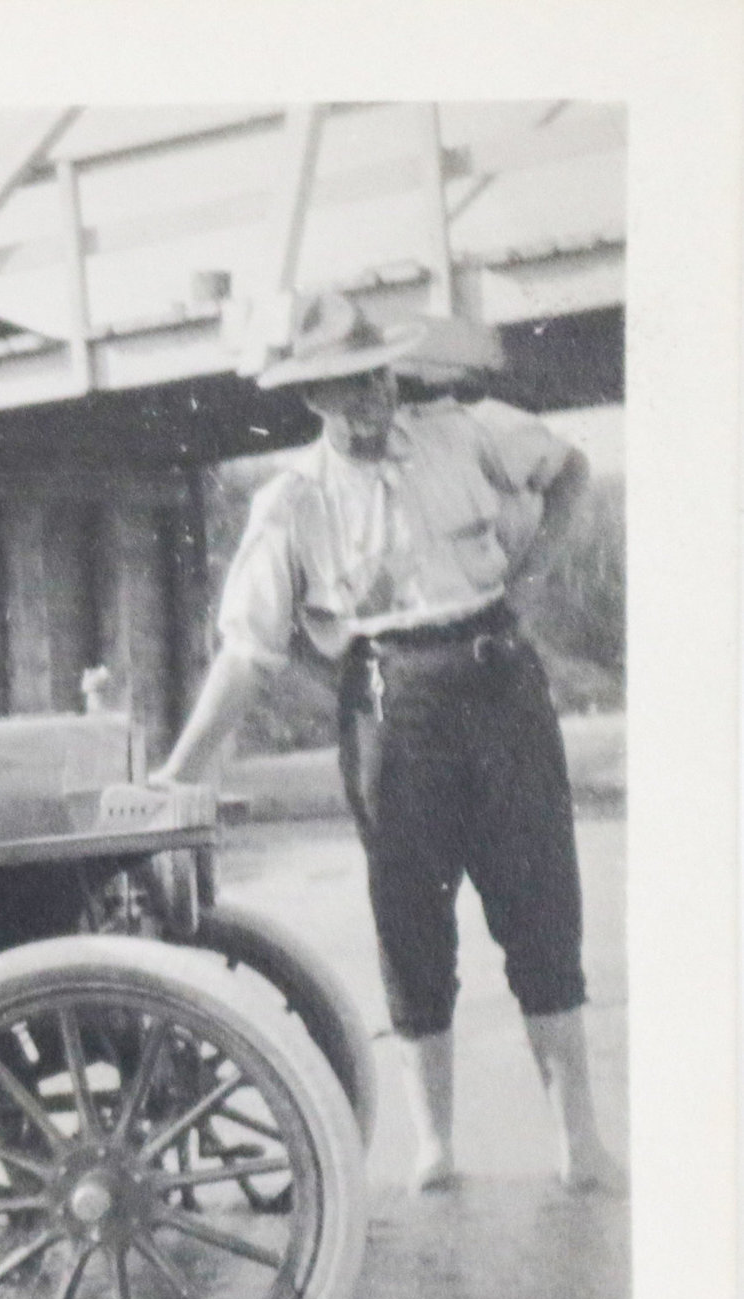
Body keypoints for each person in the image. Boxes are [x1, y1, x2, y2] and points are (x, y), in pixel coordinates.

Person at [149, 292, 620, 1194]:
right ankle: (435, 1150)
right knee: (411, 927)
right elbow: (247, 651)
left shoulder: (466, 433)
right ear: (312, 398)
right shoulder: (293, 504)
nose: (373, 397)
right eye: (349, 385)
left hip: (504, 686)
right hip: (392, 713)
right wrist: (180, 771)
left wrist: (532, 578)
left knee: (543, 910)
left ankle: (581, 1146)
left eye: (378, 376)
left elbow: (569, 469)